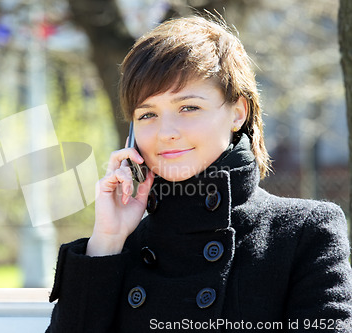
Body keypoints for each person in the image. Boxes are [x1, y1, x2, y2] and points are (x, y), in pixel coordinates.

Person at [46, 15, 352, 332]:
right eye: (147, 114)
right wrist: (106, 241)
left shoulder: (302, 234)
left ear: (237, 112)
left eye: (188, 107)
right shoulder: (119, 250)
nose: (166, 132)